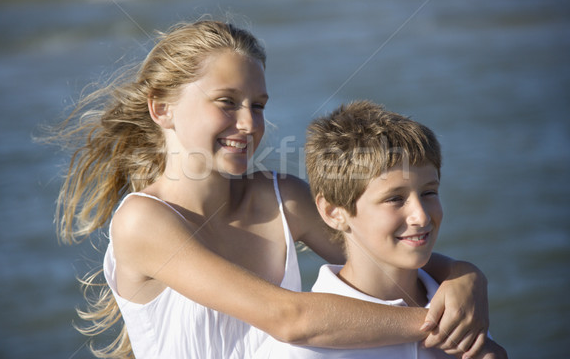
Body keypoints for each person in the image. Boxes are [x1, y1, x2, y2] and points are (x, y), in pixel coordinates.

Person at [51, 19, 491, 359]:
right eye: (226, 102)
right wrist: (437, 323)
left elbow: (390, 255)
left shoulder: (282, 198)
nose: (249, 124)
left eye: (257, 106)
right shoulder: (143, 222)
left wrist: (465, 277)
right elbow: (290, 318)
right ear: (162, 108)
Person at [254, 100, 507, 359]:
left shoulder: (461, 308)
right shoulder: (302, 350)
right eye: (395, 199)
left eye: (429, 192)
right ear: (333, 212)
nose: (420, 216)